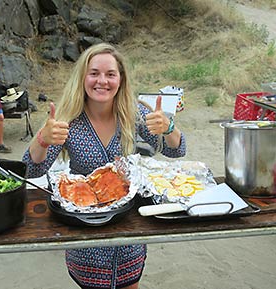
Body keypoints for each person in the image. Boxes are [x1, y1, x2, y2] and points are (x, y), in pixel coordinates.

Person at [22, 43, 186, 289]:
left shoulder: (135, 114)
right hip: (86, 238)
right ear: (83, 78)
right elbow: (30, 170)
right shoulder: (68, 119)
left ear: (120, 79)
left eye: (111, 74)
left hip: (129, 233)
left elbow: (176, 150)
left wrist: (169, 127)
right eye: (94, 73)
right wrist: (43, 139)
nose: (102, 81)